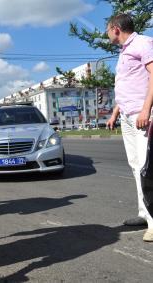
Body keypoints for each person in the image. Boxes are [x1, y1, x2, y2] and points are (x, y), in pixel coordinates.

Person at [105, 14, 153, 242]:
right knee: (136, 165)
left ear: (115, 29)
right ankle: (145, 213)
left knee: (147, 167)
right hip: (127, 115)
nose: (106, 35)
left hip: (141, 114)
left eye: (107, 30)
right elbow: (127, 85)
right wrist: (114, 113)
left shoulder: (143, 42)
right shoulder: (124, 51)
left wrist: (146, 110)